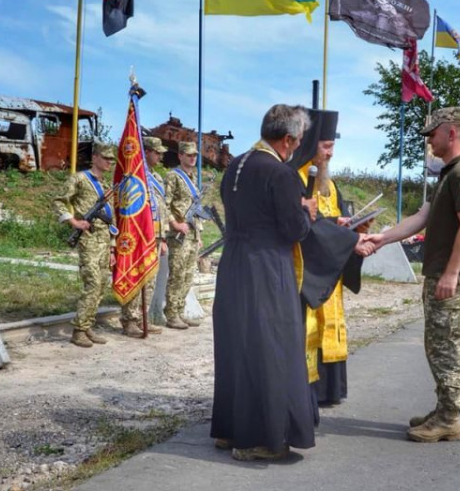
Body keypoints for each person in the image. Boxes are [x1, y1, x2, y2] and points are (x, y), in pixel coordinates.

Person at [366, 107, 460, 442]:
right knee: (436, 345)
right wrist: (383, 238)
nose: (429, 141)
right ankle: (443, 408)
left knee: (446, 346)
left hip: (449, 279)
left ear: (451, 133)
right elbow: (422, 218)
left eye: (432, 134)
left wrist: (451, 274)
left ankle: (449, 418)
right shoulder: (448, 173)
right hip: (438, 275)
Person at [210, 104, 316, 461]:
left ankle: (229, 429)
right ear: (287, 139)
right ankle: (259, 438)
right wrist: (307, 211)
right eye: (298, 141)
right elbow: (293, 229)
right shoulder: (281, 174)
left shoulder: (235, 165)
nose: (298, 146)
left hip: (234, 263)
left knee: (236, 344)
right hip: (267, 267)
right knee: (269, 347)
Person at [289, 109, 368, 406]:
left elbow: (332, 219)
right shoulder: (295, 178)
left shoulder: (330, 185)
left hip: (330, 268)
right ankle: (310, 389)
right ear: (310, 145)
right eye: (325, 147)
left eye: (333, 147)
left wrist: (354, 228)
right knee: (309, 326)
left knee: (332, 324)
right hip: (308, 270)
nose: (330, 154)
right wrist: (344, 236)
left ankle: (331, 389)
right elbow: (306, 226)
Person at [52, 144, 117, 348]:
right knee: (92, 284)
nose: (109, 162)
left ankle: (87, 325)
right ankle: (78, 329)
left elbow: (111, 219)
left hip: (104, 240)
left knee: (101, 286)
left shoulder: (105, 185)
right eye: (106, 158)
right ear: (95, 157)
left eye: (111, 159)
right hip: (88, 239)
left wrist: (113, 247)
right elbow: (58, 201)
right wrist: (73, 221)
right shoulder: (80, 178)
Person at [120, 137, 167, 337]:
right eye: (157, 152)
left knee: (149, 278)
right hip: (139, 234)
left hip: (155, 235)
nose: (160, 156)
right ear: (146, 152)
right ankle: (129, 319)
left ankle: (141, 317)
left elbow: (162, 208)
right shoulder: (135, 176)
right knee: (136, 273)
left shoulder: (157, 177)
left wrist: (163, 237)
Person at [164, 141, 203, 329]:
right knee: (177, 274)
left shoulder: (193, 178)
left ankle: (180, 311)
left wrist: (199, 235)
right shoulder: (173, 176)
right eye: (189, 155)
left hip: (192, 234)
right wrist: (174, 224)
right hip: (178, 234)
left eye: (195, 155)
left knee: (188, 275)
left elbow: (194, 209)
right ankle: (171, 314)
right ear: (180, 155)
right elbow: (165, 204)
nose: (193, 158)